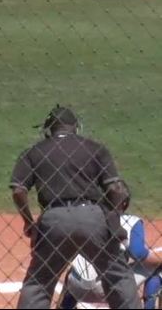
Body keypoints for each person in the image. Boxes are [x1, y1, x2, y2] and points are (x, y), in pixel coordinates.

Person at [10, 105, 140, 309]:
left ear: (48, 129)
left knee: (39, 283)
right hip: (92, 216)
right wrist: (112, 219)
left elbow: (18, 190)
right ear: (76, 127)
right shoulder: (95, 147)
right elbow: (116, 189)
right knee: (119, 277)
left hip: (54, 218)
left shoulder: (34, 152)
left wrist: (28, 222)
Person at [59, 187, 162, 310]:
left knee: (76, 266)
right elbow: (138, 253)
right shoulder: (131, 221)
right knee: (156, 266)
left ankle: (64, 306)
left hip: (77, 287)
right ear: (125, 203)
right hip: (113, 288)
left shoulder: (86, 218)